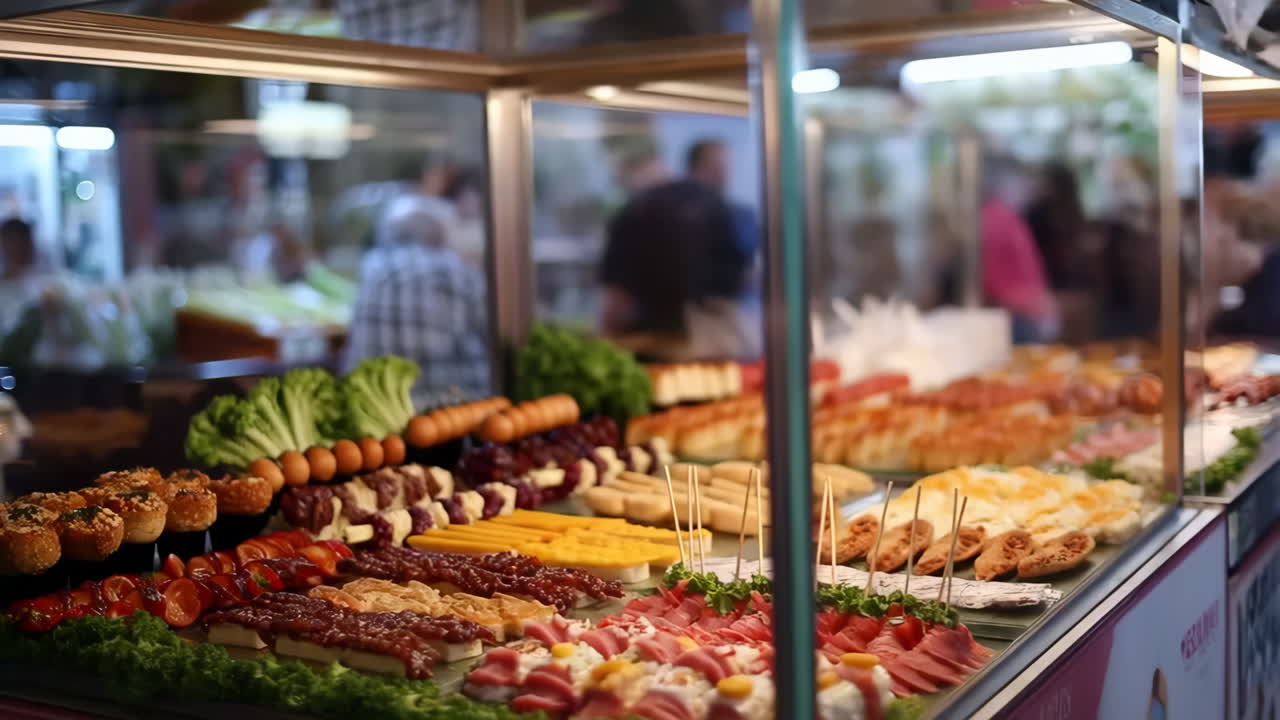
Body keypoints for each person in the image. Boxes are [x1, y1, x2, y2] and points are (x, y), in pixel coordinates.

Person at [343, 195, 491, 405]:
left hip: (374, 405)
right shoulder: (454, 269)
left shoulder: (371, 267)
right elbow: (494, 330)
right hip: (445, 406)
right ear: (440, 234)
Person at [599, 179, 760, 361]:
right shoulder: (715, 207)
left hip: (658, 355)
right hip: (724, 349)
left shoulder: (635, 215)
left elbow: (615, 307)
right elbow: (746, 278)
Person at [979, 155, 1058, 343]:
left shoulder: (1003, 216)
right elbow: (994, 284)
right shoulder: (996, 219)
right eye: (1022, 180)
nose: (1029, 187)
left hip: (1024, 313)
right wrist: (1039, 307)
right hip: (1017, 318)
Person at [686, 138, 760, 263]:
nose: (722, 174)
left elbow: (748, 260)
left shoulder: (742, 216)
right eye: (714, 166)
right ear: (693, 169)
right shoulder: (677, 215)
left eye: (725, 167)